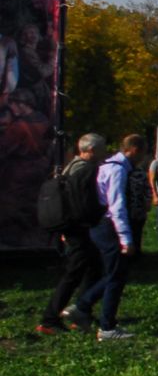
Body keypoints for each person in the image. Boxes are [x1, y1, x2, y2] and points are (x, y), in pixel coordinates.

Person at [70, 133, 142, 340]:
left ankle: (82, 307)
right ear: (135, 150)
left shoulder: (110, 166)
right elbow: (117, 206)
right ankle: (107, 327)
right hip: (108, 225)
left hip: (99, 224)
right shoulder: (117, 170)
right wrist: (126, 239)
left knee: (115, 273)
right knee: (116, 275)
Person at [36, 133, 107, 335]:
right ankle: (50, 319)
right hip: (79, 228)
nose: (105, 152)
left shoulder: (72, 167)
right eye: (102, 149)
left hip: (71, 227)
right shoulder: (85, 170)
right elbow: (84, 204)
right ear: (92, 150)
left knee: (92, 267)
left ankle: (81, 312)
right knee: (74, 272)